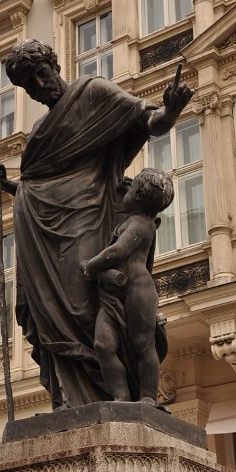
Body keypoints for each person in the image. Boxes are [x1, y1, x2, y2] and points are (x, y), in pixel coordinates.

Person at [0, 39, 193, 409]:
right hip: (42, 235)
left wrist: (171, 112)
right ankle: (69, 399)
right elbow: (39, 186)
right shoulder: (39, 131)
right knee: (48, 313)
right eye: (29, 84)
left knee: (86, 308)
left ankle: (119, 394)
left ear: (55, 65)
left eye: (41, 74)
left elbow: (148, 121)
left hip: (89, 218)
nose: (39, 85)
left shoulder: (94, 93)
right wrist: (8, 185)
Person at [80, 169, 174, 406]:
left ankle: (148, 396)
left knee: (143, 344)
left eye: (131, 190)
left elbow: (117, 251)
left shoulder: (142, 224)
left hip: (137, 290)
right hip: (112, 293)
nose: (126, 192)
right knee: (103, 344)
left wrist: (90, 266)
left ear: (139, 197)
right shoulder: (133, 219)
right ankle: (121, 396)